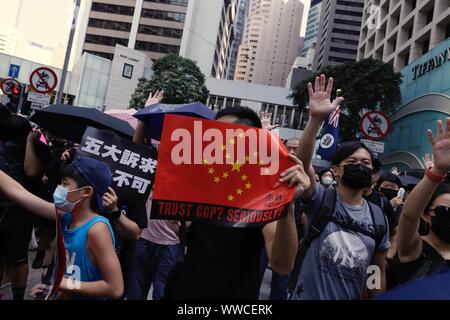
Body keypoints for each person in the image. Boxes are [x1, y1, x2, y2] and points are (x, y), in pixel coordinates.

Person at [164, 106, 310, 300]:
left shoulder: (263, 194)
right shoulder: (197, 183)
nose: (216, 143)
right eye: (212, 135)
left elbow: (282, 264)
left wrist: (287, 206)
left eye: (227, 135)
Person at [292, 74, 390, 300]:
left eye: (365, 163)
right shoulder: (321, 199)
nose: (360, 167)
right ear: (335, 169)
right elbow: (303, 163)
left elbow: (376, 269)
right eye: (352, 163)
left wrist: (376, 295)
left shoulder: (378, 218)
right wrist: (315, 119)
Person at [0, 156, 123, 299]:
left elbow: (115, 289)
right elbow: (20, 194)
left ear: (86, 192)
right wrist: (53, 288)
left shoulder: (97, 229)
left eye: (65, 185)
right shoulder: (67, 216)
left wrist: (61, 283)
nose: (59, 189)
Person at [396, 119, 450, 285]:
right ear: (426, 215)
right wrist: (437, 171)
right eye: (446, 211)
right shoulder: (414, 249)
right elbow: (409, 216)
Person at [0, 114, 44, 300]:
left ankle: (18, 296)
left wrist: (29, 144)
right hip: (3, 209)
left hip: (21, 212)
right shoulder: (3, 148)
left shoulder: (37, 149)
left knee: (18, 258)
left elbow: (31, 171)